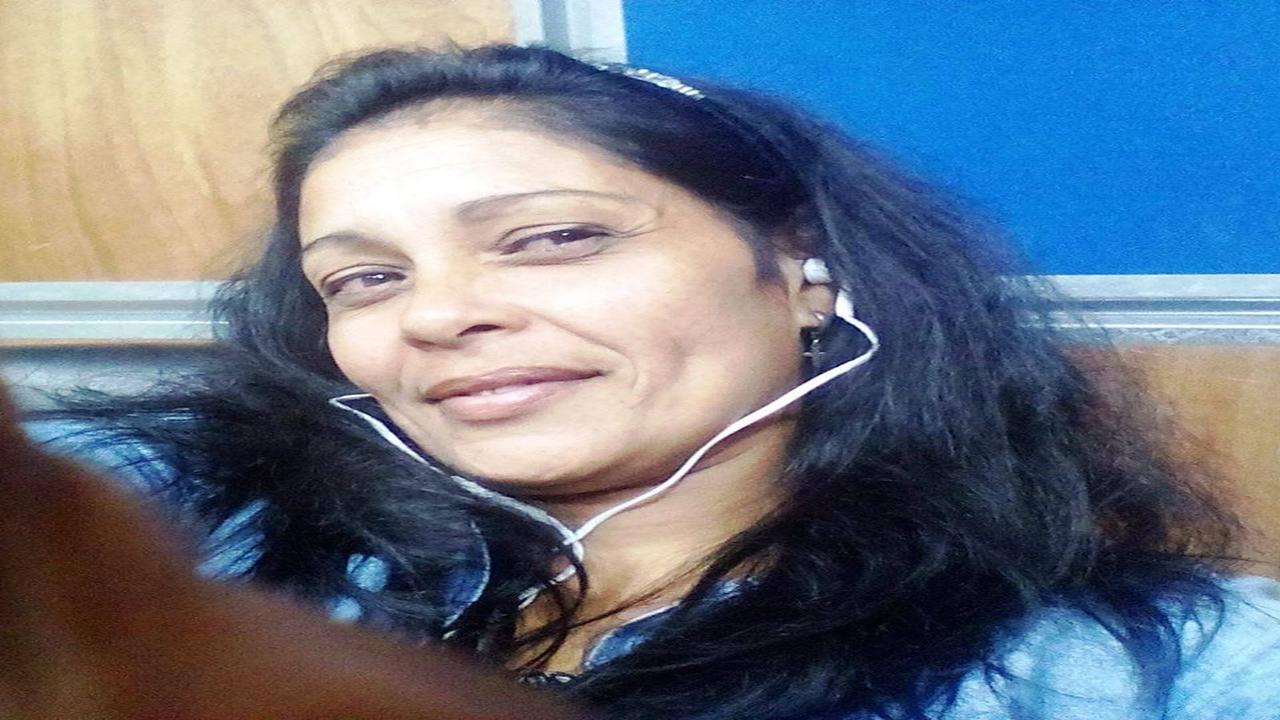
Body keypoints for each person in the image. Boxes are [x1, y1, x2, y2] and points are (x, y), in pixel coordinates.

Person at [14, 44, 1280, 719]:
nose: (439, 315)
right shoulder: (202, 537)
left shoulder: (1152, 669)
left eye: (554, 237)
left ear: (804, 271)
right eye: (363, 279)